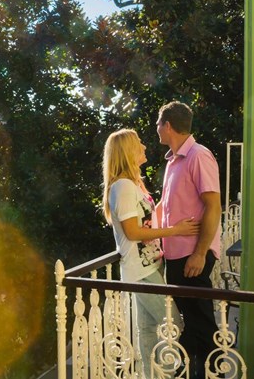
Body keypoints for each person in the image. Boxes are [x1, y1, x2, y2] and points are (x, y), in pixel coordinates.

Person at [103, 128, 197, 377]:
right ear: (127, 151)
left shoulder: (133, 184)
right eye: (139, 144)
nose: (144, 147)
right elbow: (133, 233)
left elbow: (147, 219)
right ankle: (164, 374)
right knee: (172, 323)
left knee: (148, 328)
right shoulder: (122, 186)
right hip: (138, 269)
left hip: (150, 266)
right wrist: (174, 230)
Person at [155, 101, 222, 377]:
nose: (156, 130)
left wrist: (199, 253)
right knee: (192, 321)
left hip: (192, 255)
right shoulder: (173, 161)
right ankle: (191, 371)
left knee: (202, 322)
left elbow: (213, 205)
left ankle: (214, 373)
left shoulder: (198, 155)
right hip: (175, 255)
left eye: (157, 125)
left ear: (167, 125)